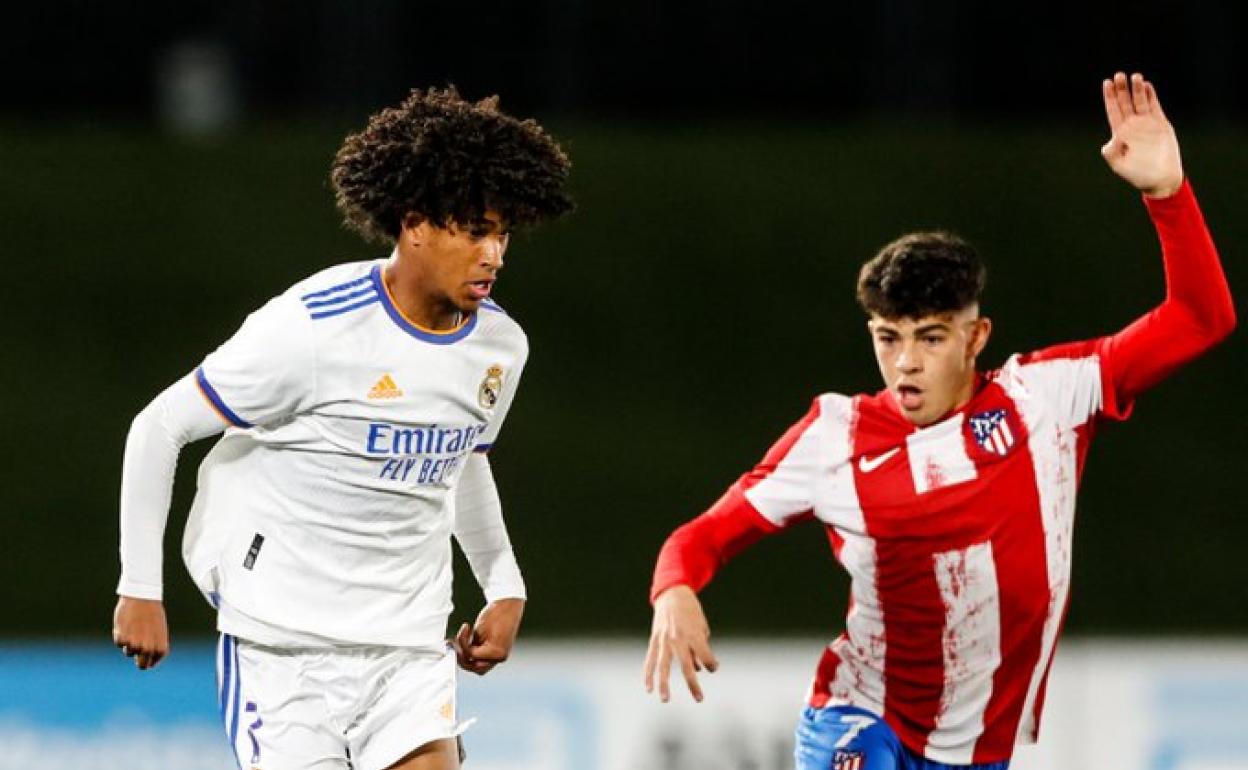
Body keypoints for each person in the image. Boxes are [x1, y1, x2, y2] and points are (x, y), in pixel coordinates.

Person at [643, 72, 1235, 770]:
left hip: (980, 750)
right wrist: (674, 589)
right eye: (887, 338)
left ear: (976, 335)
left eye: (929, 337)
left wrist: (1167, 194)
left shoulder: (1048, 398)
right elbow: (705, 534)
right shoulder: (835, 435)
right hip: (862, 722)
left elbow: (1202, 320)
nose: (905, 364)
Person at [112, 87, 573, 770]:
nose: (494, 254)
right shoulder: (309, 330)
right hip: (283, 649)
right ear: (415, 224)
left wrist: (505, 585)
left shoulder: (501, 347)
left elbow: (462, 461)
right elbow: (158, 427)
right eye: (474, 229)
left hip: (408, 646)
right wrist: (139, 587)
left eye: (503, 233)